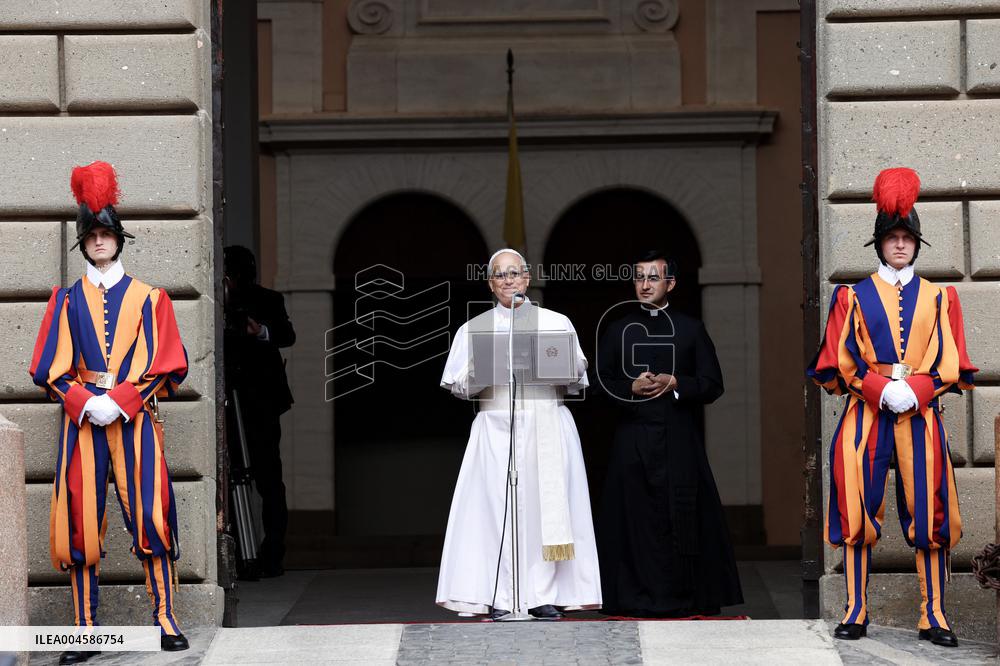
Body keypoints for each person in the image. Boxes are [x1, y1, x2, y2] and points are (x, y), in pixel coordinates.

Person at [807, 167, 977, 647]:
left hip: (921, 419)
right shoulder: (852, 296)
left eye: (907, 238)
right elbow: (840, 359)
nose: (900, 245)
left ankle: (935, 615)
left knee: (930, 515)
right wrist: (878, 387)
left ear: (917, 244)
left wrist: (918, 389)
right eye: (892, 237)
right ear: (879, 243)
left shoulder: (941, 297)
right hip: (865, 415)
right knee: (857, 513)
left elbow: (949, 357)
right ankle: (856, 609)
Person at [29, 161, 190, 663]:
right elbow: (48, 368)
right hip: (82, 425)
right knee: (79, 523)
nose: (99, 241)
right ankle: (84, 631)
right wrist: (85, 403)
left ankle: (164, 618)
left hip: (135, 418)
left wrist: (118, 401)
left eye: (106, 233)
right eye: (91, 235)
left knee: (151, 515)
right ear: (83, 243)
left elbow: (167, 365)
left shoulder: (151, 298)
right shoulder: (65, 299)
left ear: (119, 239)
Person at [436, 249, 602, 619]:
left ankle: (542, 596)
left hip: (547, 426)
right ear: (491, 284)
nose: (509, 280)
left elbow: (578, 377)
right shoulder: (474, 328)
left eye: (515, 273)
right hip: (495, 430)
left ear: (527, 279)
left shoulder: (556, 322)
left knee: (544, 513)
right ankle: (500, 595)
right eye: (500, 275)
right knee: (497, 513)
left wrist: (553, 363)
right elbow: (457, 384)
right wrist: (483, 368)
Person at [595, 250, 742, 617]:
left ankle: (682, 599)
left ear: (670, 283)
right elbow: (597, 384)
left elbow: (713, 384)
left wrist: (677, 382)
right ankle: (634, 598)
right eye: (639, 278)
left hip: (678, 440)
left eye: (653, 278)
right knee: (633, 521)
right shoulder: (617, 329)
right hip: (632, 440)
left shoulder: (691, 328)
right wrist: (629, 387)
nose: (644, 285)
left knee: (682, 519)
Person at [223, 245, 296, 578]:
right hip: (228, 398)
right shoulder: (217, 301)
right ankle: (239, 554)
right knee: (232, 475)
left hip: (261, 400)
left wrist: (261, 330)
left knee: (268, 477)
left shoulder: (268, 300)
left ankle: (272, 554)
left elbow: (287, 335)